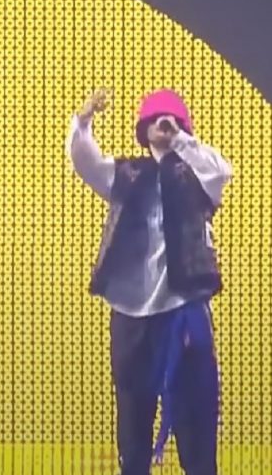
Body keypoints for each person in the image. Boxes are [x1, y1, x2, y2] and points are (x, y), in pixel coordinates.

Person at [66, 89, 232, 475]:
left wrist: (181, 141)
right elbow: (86, 162)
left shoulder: (197, 174)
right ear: (143, 128)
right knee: (133, 419)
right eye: (156, 119)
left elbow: (221, 171)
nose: (163, 123)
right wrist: (84, 121)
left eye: (170, 118)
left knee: (195, 418)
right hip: (131, 314)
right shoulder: (126, 174)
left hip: (182, 309)